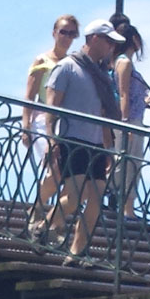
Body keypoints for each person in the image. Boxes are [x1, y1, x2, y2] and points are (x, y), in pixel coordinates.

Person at [42, 21, 123, 257]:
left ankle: (76, 252)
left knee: (96, 199)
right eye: (108, 41)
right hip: (72, 140)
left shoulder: (102, 76)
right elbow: (52, 108)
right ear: (94, 39)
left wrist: (109, 148)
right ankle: (45, 224)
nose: (110, 47)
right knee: (74, 197)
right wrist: (52, 140)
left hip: (96, 143)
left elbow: (104, 114)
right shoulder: (67, 67)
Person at [23, 15, 79, 233]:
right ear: (54, 32)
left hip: (66, 122)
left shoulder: (72, 62)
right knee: (54, 168)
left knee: (65, 174)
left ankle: (47, 216)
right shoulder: (42, 60)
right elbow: (29, 96)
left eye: (71, 33)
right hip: (42, 119)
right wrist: (25, 125)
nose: (67, 37)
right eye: (63, 32)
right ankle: (40, 210)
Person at [110, 15, 150, 226]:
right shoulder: (124, 63)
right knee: (126, 164)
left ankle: (128, 209)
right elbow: (123, 93)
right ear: (134, 39)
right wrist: (125, 122)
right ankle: (124, 208)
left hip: (133, 119)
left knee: (130, 165)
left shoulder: (123, 63)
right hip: (128, 121)